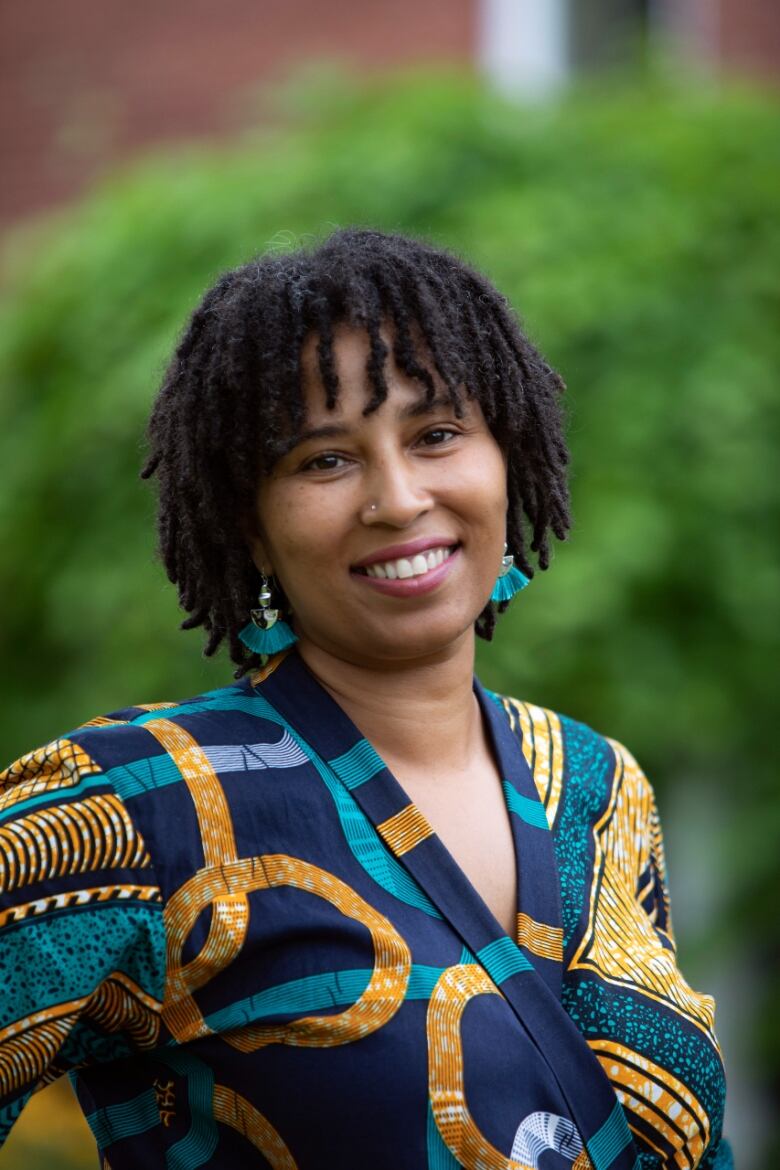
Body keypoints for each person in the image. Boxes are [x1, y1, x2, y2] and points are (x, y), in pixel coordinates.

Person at [0, 229, 731, 1169]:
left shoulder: (594, 784)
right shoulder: (143, 804)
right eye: (324, 461)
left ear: (507, 458)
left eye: (436, 436)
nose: (397, 498)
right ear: (251, 528)